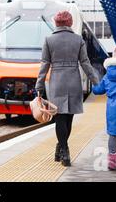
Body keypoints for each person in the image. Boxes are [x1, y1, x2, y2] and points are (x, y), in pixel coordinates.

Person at [35, 11, 99, 166]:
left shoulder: (49, 40)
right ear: (70, 23)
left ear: (56, 23)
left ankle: (63, 149)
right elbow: (85, 62)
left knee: (60, 118)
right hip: (73, 80)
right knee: (69, 117)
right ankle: (62, 148)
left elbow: (45, 64)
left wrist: (40, 85)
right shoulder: (78, 40)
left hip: (57, 81)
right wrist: (96, 81)